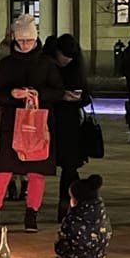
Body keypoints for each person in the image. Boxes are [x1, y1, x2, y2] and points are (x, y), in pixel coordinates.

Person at [0, 13, 67, 231]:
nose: (24, 44)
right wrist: (13, 94)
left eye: (28, 40)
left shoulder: (46, 63)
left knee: (36, 171)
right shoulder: (7, 63)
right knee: (2, 169)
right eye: (20, 41)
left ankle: (32, 213)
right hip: (11, 124)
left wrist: (38, 93)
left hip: (38, 125)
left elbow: (58, 92)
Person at [46, 32, 90, 221]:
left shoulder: (76, 67)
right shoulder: (47, 66)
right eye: (64, 56)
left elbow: (87, 94)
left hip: (71, 124)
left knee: (70, 168)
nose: (67, 60)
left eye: (70, 58)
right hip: (50, 121)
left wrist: (78, 98)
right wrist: (60, 96)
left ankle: (67, 207)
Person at [48, 173, 111, 258]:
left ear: (77, 200)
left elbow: (63, 243)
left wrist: (59, 250)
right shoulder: (102, 215)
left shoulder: (73, 219)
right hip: (97, 257)